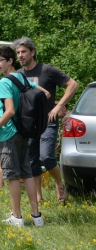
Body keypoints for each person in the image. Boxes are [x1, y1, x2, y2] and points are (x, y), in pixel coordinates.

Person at [0, 47, 50, 227]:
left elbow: (10, 111)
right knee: (27, 173)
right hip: (23, 132)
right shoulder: (21, 77)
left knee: (13, 176)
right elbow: (36, 88)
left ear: (9, 61)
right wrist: (44, 92)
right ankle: (37, 217)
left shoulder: (5, 82)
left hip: (9, 132)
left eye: (0, 60)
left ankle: (17, 217)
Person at [13, 37, 79, 204]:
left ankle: (59, 184)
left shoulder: (47, 70)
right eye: (18, 52)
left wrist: (58, 107)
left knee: (47, 157)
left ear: (32, 52)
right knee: (33, 160)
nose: (20, 55)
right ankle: (38, 196)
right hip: (29, 124)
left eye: (24, 52)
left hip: (48, 121)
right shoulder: (18, 75)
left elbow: (73, 85)